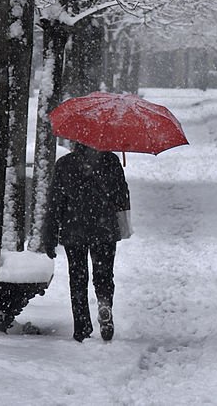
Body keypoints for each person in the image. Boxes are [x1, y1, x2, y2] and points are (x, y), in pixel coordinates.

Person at [43, 142, 131, 342]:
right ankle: (104, 303)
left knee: (78, 277)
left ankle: (82, 327)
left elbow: (55, 203)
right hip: (105, 227)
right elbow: (122, 195)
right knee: (104, 273)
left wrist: (49, 236)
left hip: (75, 229)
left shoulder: (65, 164)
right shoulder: (111, 161)